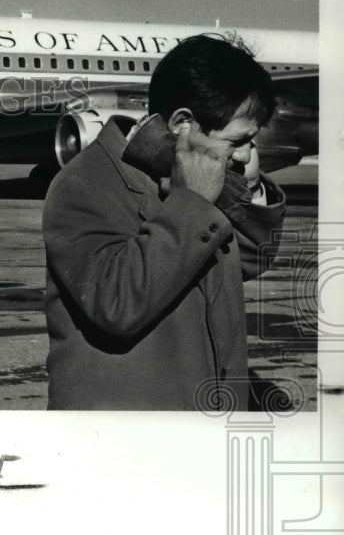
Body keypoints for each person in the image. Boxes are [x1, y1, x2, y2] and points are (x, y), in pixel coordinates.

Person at [42, 33, 286, 410]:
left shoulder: (201, 168)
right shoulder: (84, 184)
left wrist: (249, 189)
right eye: (238, 141)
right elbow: (116, 306)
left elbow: (250, 259)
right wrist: (190, 204)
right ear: (183, 124)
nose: (245, 154)